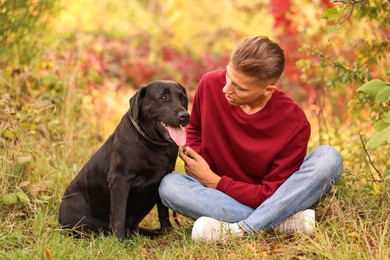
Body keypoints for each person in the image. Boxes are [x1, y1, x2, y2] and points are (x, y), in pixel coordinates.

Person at [158, 36, 343, 241]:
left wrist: (215, 181)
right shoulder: (210, 84)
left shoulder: (294, 123)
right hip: (216, 196)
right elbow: (195, 129)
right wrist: (198, 162)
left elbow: (271, 194)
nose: (226, 89)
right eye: (228, 76)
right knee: (170, 185)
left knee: (329, 157)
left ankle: (241, 229)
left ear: (268, 90)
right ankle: (280, 222)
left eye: (239, 87)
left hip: (262, 195)